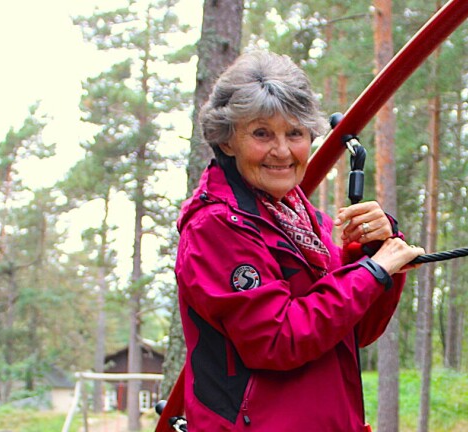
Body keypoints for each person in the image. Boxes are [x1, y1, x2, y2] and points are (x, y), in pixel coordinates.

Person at [174, 51, 424, 431]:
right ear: (227, 142)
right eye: (261, 133)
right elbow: (277, 339)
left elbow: (357, 331)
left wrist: (372, 248)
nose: (282, 151)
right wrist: (373, 271)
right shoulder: (216, 227)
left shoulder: (306, 222)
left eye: (295, 133)